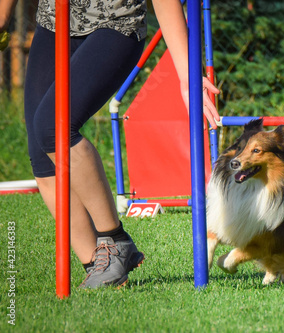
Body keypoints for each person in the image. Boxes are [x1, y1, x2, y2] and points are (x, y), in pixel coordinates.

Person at [0, 0, 220, 288]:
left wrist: (187, 75)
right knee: (41, 155)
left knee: (53, 129)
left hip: (115, 21)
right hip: (54, 20)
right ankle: (100, 268)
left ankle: (115, 241)